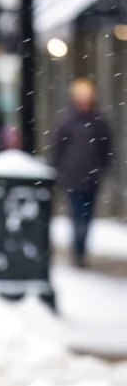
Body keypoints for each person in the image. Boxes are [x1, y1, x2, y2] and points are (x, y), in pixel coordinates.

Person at [53, 77, 114, 266]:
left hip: (92, 178)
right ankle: (78, 249)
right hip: (72, 177)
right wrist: (58, 170)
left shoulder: (99, 121)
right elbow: (58, 149)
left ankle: (80, 248)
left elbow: (106, 148)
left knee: (86, 216)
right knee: (77, 215)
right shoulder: (67, 121)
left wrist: (103, 168)